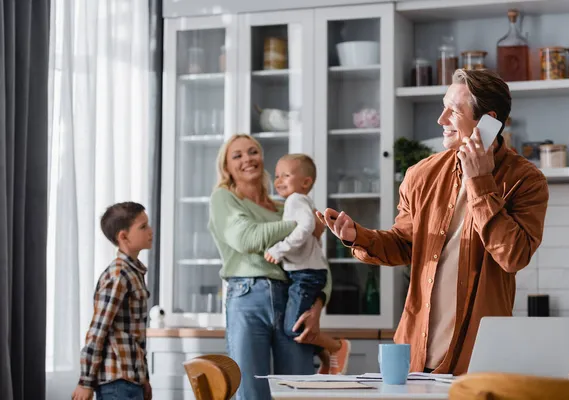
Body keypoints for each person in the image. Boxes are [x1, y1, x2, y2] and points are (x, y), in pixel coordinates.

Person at [318, 68, 549, 375]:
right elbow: (404, 245)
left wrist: (480, 182)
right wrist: (358, 237)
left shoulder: (526, 181)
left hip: (479, 357)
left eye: (453, 111)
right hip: (414, 352)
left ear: (488, 120)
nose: (441, 120)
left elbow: (513, 256)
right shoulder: (421, 175)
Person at [208, 134, 331, 400]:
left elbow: (316, 261)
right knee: (252, 392)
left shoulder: (284, 207)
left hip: (293, 297)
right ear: (226, 167)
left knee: (298, 390)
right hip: (248, 298)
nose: (247, 159)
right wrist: (303, 223)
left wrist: (317, 306)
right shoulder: (224, 199)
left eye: (253, 152)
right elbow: (247, 239)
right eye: (237, 155)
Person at [264, 153, 351, 375]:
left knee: (293, 328)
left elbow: (305, 227)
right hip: (303, 273)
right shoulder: (297, 201)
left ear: (305, 182)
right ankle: (326, 356)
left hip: (307, 274)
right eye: (277, 176)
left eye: (286, 175)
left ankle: (335, 347)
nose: (279, 180)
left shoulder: (296, 200)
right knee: (294, 327)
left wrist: (279, 250)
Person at [72, 202, 153, 400]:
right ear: (123, 237)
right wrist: (86, 381)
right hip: (116, 384)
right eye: (143, 227)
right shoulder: (118, 275)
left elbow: (135, 335)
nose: (150, 231)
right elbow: (98, 330)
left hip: (132, 380)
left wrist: (144, 379)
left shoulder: (134, 272)